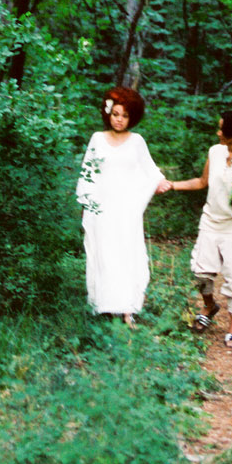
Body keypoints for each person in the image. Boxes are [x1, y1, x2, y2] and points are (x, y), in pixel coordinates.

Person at [168, 111, 232, 348]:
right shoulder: (214, 151)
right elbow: (202, 182)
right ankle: (209, 306)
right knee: (201, 271)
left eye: (221, 129)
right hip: (212, 220)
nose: (217, 132)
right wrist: (171, 185)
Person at [77, 86, 171, 324]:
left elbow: (150, 170)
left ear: (132, 117)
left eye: (125, 115)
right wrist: (86, 206)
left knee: (128, 255)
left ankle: (128, 309)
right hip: (102, 211)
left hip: (127, 211)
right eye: (116, 114)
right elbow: (88, 174)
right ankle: (107, 306)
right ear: (108, 113)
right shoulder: (97, 139)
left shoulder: (137, 141)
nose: (119, 120)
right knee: (105, 256)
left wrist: (160, 182)